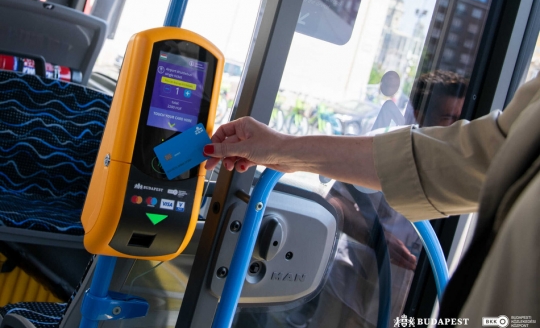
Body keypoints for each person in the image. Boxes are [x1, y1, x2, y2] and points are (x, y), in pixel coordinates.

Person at [203, 71, 540, 325]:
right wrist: (282, 150)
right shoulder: (389, 143)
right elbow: (464, 156)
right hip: (350, 292)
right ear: (419, 112)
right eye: (448, 118)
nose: (455, 126)